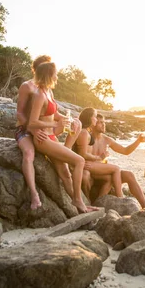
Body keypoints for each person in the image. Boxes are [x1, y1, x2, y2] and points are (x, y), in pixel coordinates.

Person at [27, 62, 96, 214]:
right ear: (48, 75)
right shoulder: (39, 95)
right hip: (43, 139)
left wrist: (67, 119)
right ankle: (78, 199)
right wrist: (54, 123)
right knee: (79, 161)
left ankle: (79, 204)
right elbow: (32, 122)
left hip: (51, 135)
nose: (57, 76)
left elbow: (54, 114)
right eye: (55, 73)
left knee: (65, 172)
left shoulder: (49, 93)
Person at [89, 114, 145, 208]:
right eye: (100, 122)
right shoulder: (88, 138)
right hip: (92, 173)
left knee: (129, 175)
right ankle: (116, 198)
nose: (103, 124)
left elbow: (125, 151)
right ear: (93, 123)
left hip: (106, 172)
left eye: (104, 122)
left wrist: (138, 141)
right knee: (113, 173)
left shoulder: (107, 140)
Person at [15, 55, 51, 210]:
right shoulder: (27, 86)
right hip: (24, 129)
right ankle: (34, 194)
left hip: (42, 130)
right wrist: (33, 130)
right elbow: (19, 113)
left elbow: (52, 113)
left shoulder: (47, 89)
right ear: (36, 69)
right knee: (29, 154)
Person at [72, 108, 126, 201]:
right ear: (90, 118)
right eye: (95, 117)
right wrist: (99, 157)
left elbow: (125, 150)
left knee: (109, 178)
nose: (96, 120)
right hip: (84, 164)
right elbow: (83, 154)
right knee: (116, 169)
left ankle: (99, 201)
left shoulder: (87, 132)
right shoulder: (84, 132)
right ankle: (120, 197)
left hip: (87, 164)